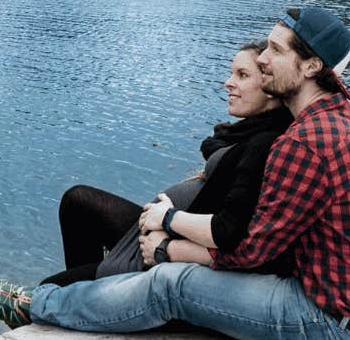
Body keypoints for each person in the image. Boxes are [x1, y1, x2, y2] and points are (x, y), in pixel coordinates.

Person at [0, 7, 350, 340]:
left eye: (275, 50)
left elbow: (249, 250)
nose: (262, 59)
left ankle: (32, 305)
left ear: (312, 65)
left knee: (171, 286)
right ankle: (64, 306)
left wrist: (167, 246)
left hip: (333, 326)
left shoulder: (307, 142)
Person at [43, 40, 293, 287]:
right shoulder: (248, 133)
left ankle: (90, 294)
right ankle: (87, 296)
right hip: (168, 232)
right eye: (231, 73)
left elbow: (230, 230)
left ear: (271, 86)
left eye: (242, 75)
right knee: (77, 202)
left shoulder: (264, 144)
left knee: (49, 288)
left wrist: (167, 226)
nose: (228, 83)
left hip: (170, 247)